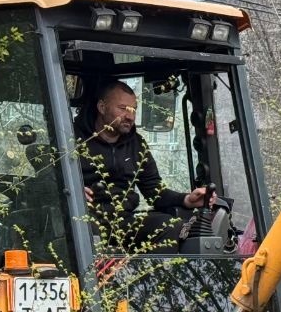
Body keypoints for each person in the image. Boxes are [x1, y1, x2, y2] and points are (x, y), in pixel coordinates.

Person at [75, 80, 208, 252]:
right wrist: (73, 190)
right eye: (123, 109)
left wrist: (186, 199)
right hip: (85, 219)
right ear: (102, 107)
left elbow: (155, 192)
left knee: (169, 225)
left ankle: (157, 277)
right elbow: (44, 170)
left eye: (133, 110)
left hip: (123, 222)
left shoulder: (137, 145)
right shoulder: (73, 139)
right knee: (86, 230)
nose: (130, 116)